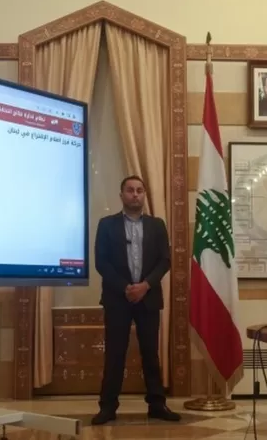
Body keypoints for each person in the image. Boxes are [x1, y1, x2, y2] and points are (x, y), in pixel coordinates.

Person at [91, 175, 181, 425]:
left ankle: (157, 404)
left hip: (148, 297)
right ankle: (108, 407)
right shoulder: (106, 225)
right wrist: (126, 288)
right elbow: (101, 262)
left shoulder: (157, 225)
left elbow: (165, 260)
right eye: (130, 190)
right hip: (117, 299)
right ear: (121, 195)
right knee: (115, 354)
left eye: (139, 190)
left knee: (151, 353)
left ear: (144, 195)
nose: (135, 194)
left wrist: (145, 286)